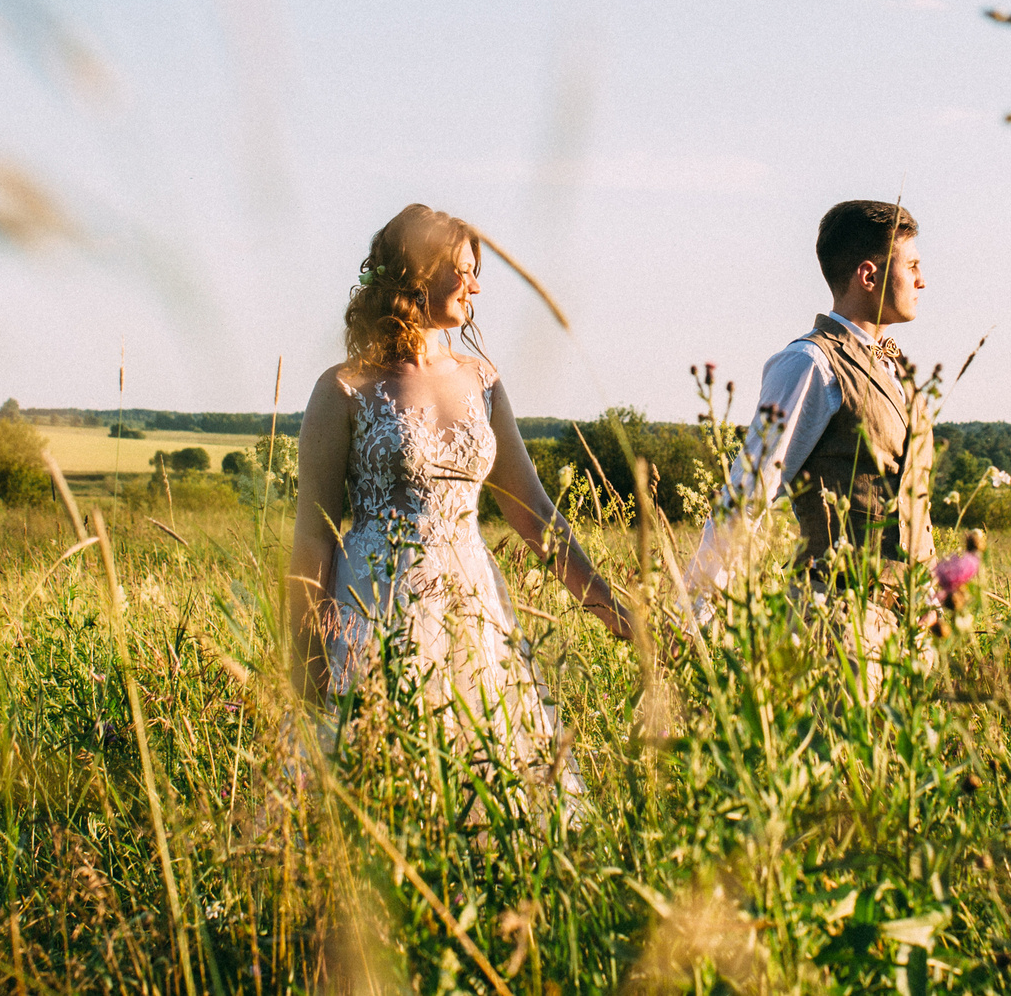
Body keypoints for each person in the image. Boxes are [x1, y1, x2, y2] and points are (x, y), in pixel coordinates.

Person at [289, 203, 630, 790]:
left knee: (488, 781)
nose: (476, 285)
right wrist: (308, 657)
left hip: (472, 606)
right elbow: (313, 532)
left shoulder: (484, 380)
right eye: (464, 269)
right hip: (372, 609)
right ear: (419, 271)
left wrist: (609, 607)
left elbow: (534, 513)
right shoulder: (344, 387)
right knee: (375, 784)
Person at [687, 199, 931, 598]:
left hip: (902, 630)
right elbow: (747, 496)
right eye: (912, 266)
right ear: (868, 275)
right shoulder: (810, 363)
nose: (922, 281)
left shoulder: (895, 367)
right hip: (831, 622)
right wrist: (693, 621)